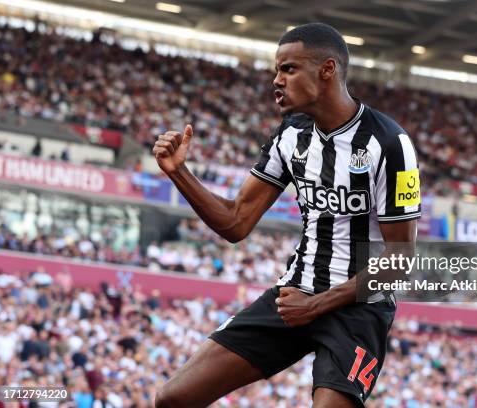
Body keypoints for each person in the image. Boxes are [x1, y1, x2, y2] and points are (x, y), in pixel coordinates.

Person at [152, 23, 420, 408]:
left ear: (327, 70)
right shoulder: (290, 136)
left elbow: (401, 259)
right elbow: (235, 222)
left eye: (288, 69)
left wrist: (316, 305)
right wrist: (178, 171)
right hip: (294, 294)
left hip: (358, 310)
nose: (276, 81)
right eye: (276, 71)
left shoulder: (390, 144)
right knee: (172, 398)